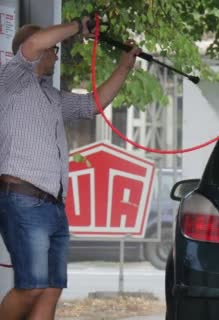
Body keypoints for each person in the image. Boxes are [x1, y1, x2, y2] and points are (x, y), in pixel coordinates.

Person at [0, 15, 141, 320]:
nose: (56, 53)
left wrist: (124, 67)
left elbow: (92, 105)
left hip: (53, 205)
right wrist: (79, 26)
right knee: (32, 287)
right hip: (23, 199)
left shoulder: (51, 96)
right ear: (35, 51)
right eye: (53, 49)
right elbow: (35, 42)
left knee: (51, 289)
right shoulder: (10, 78)